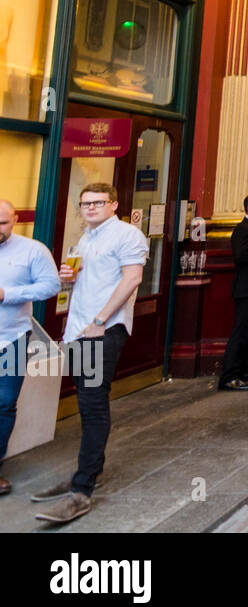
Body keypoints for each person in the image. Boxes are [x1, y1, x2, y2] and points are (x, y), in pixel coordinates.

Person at [32, 184, 148, 525]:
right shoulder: (86, 238)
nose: (91, 208)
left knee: (94, 404)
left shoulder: (127, 235)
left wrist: (100, 321)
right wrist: (68, 278)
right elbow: (84, 284)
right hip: (79, 331)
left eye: (98, 202)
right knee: (86, 401)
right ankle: (88, 470)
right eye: (85, 203)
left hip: (102, 332)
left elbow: (132, 279)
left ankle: (81, 491)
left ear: (114, 204)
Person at [0, 199, 59, 498]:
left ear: (15, 219)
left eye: (2, 223)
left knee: (4, 402)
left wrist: (7, 294)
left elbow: (50, 286)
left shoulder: (33, 250)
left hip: (12, 338)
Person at [218, 192, 248, 391]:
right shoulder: (242, 230)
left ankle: (242, 369)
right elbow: (242, 256)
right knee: (241, 332)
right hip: (246, 288)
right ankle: (229, 376)